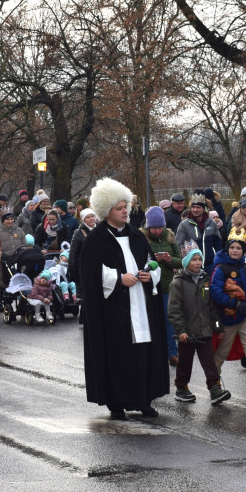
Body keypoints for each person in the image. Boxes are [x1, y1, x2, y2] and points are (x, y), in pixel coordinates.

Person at [81, 178, 167, 420]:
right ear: (107, 211)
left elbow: (152, 264)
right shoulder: (96, 240)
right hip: (114, 309)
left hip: (141, 304)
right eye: (119, 208)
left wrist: (150, 275)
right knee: (119, 355)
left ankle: (144, 400)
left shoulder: (137, 236)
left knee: (143, 353)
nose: (125, 211)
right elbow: (91, 274)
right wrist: (120, 280)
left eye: (126, 206)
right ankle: (116, 404)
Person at [211, 227, 246, 401]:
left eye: (239, 248)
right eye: (232, 247)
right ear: (227, 249)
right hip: (228, 318)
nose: (235, 251)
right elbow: (215, 291)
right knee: (222, 352)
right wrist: (233, 303)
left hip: (245, 317)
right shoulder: (220, 269)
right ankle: (214, 384)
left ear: (243, 250)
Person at [169, 248, 230, 405]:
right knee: (185, 362)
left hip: (205, 330)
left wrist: (218, 327)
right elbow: (174, 310)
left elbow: (211, 307)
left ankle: (215, 389)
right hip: (187, 334)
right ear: (187, 262)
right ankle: (181, 388)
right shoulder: (178, 282)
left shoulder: (205, 280)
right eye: (194, 259)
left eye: (199, 259)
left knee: (209, 361)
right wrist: (180, 331)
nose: (197, 263)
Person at [142, 206, 182, 365]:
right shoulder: (142, 238)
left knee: (168, 319)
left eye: (160, 227)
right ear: (148, 227)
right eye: (154, 228)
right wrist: (153, 261)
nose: (157, 231)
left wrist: (169, 259)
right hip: (148, 286)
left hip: (167, 285)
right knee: (150, 320)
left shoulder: (170, 238)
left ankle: (172, 353)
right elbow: (138, 262)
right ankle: (153, 353)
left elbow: (181, 261)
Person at [175, 194, 222, 269]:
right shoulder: (184, 225)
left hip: (211, 265)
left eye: (198, 207)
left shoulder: (212, 224)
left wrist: (219, 261)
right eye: (193, 207)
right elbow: (178, 245)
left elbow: (218, 244)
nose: (195, 210)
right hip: (193, 267)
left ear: (204, 209)